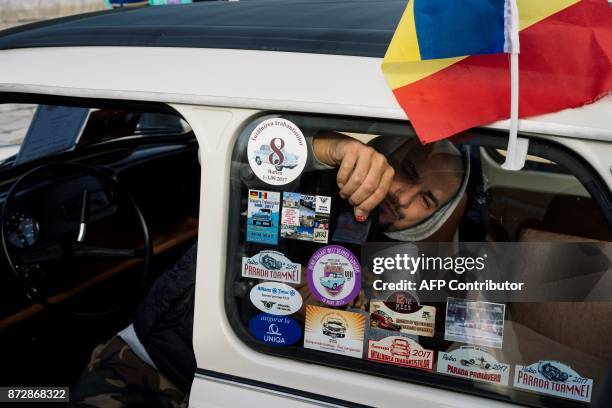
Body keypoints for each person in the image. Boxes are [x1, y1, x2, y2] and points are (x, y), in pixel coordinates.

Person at [70, 132, 468, 406]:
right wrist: (331, 147)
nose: (402, 196)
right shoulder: (310, 181)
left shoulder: (405, 270)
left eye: (427, 200)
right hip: (150, 363)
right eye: (408, 172)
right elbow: (241, 149)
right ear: (388, 153)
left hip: (244, 391)